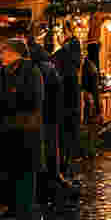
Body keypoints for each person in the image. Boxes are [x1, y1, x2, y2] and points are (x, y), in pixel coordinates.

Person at [0, 38, 43, 218]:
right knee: (10, 169)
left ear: (15, 53)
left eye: (4, 51)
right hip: (8, 129)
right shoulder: (5, 71)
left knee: (25, 171)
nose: (1, 55)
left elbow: (32, 99)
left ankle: (24, 212)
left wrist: (4, 96)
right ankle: (12, 208)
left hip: (25, 129)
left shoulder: (31, 71)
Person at [30, 36, 62, 199]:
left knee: (43, 147)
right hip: (50, 113)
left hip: (39, 115)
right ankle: (52, 178)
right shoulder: (49, 68)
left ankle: (44, 183)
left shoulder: (34, 69)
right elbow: (57, 91)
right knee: (50, 146)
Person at [54, 26, 83, 178]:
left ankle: (64, 165)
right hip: (72, 104)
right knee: (71, 134)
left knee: (63, 136)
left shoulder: (59, 58)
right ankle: (70, 164)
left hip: (62, 104)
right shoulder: (75, 63)